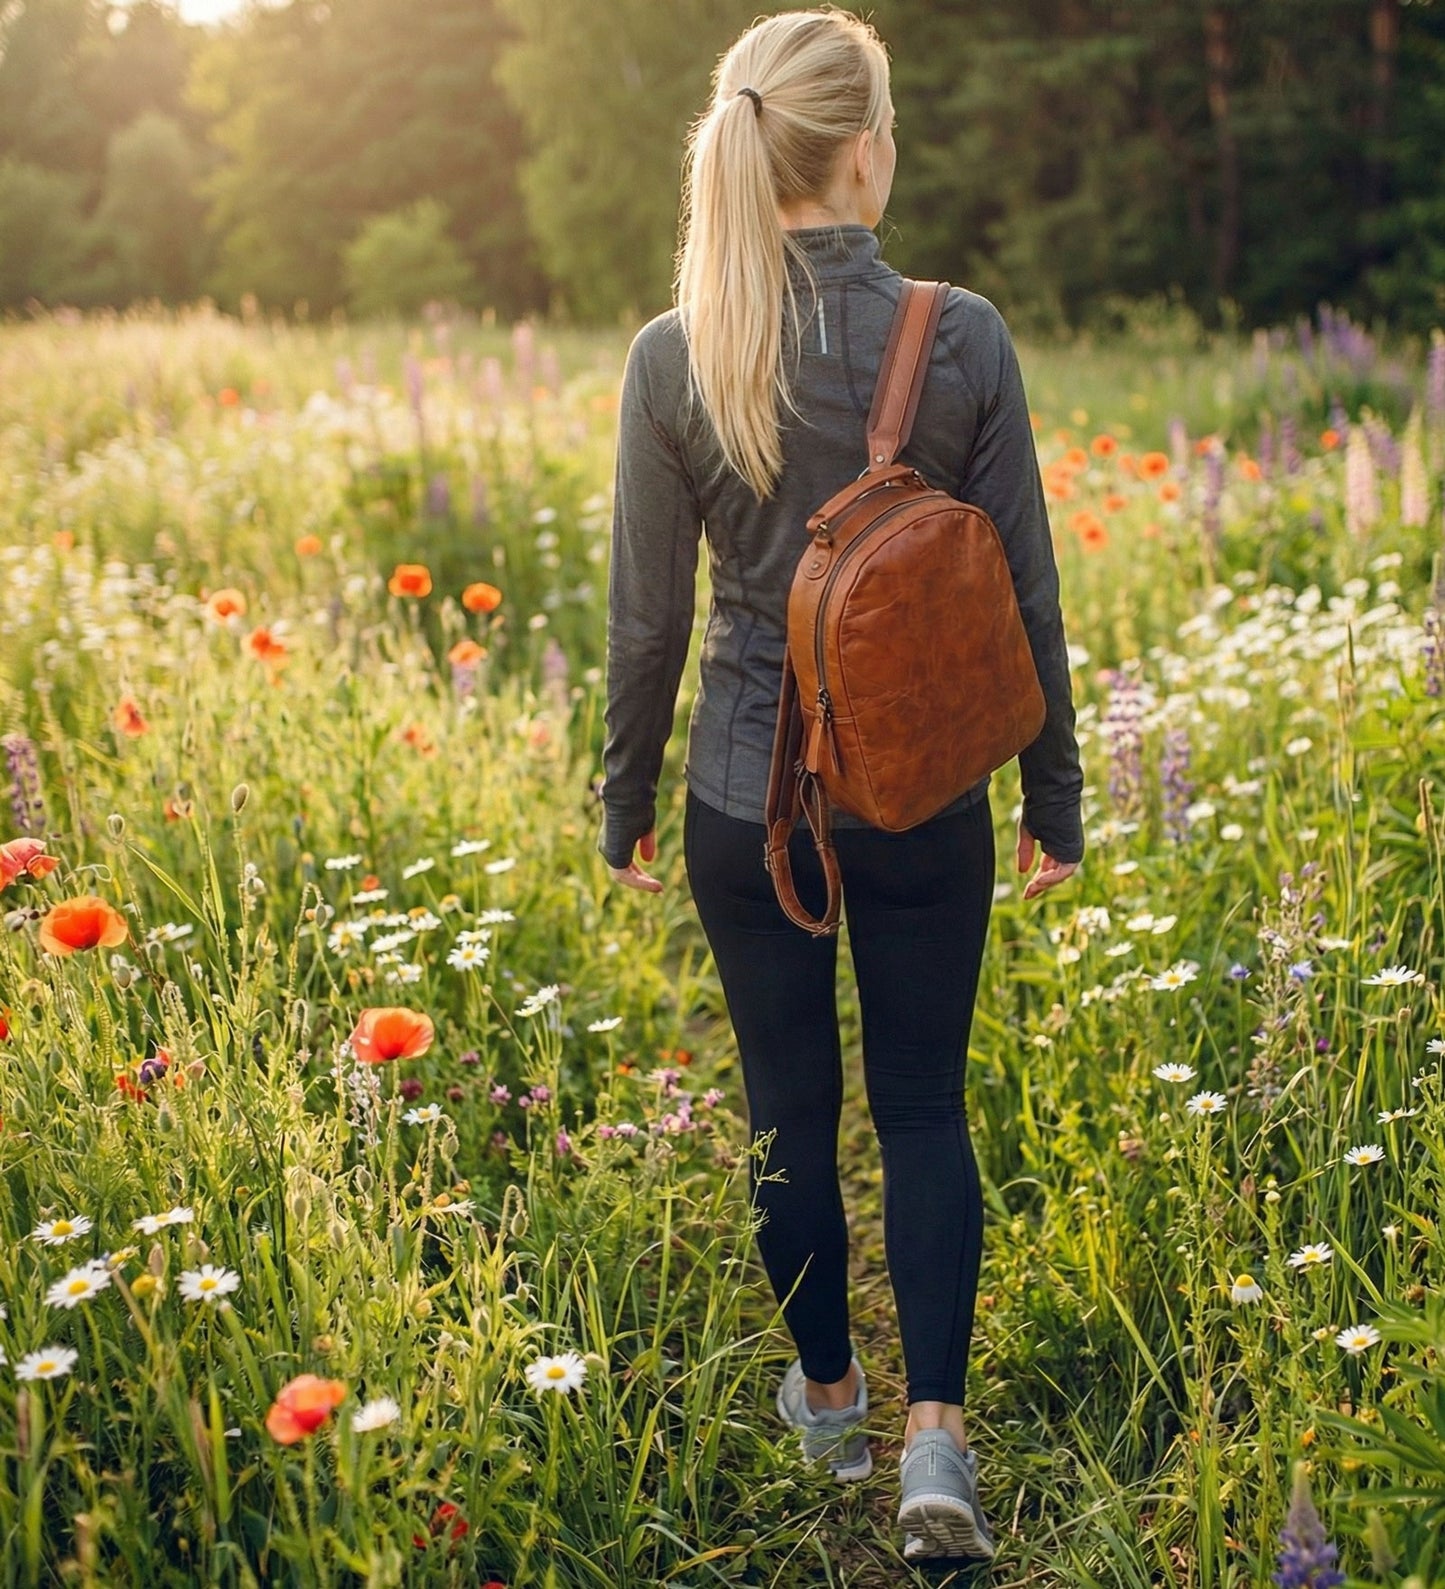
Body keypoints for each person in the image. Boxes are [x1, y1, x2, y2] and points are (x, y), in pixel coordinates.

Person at [595, 4, 1083, 1564]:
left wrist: (620, 801)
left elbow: (646, 620)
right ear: (866, 148)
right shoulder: (963, 335)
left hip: (749, 803)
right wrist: (1052, 796)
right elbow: (1023, 597)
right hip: (925, 794)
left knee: (785, 1118)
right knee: (925, 1107)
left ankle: (827, 1398)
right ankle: (934, 1449)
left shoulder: (679, 354)